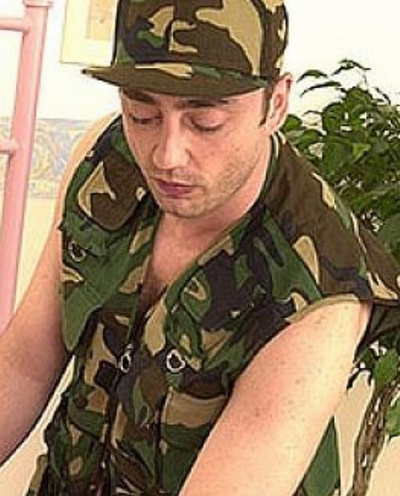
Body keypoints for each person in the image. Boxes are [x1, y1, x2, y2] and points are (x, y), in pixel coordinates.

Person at [1, 0, 400, 495]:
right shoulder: (106, 161)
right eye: (142, 114)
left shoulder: (321, 287)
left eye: (205, 122)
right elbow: (25, 361)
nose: (166, 155)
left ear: (276, 104)